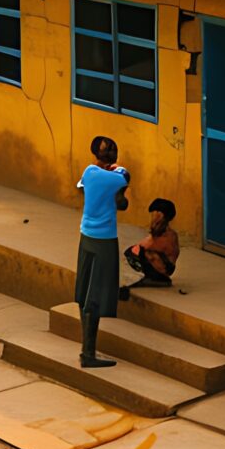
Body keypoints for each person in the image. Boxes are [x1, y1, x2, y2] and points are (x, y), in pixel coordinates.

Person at [74, 135, 130, 369]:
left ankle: (86, 347)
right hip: (104, 240)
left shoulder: (88, 172)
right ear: (110, 156)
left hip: (86, 236)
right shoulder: (118, 177)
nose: (113, 155)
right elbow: (122, 200)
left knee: (84, 290)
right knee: (95, 296)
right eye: (112, 152)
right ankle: (88, 354)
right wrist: (117, 170)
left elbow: (82, 188)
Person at [123, 197, 180, 293]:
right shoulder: (166, 233)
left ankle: (156, 278)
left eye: (157, 214)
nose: (153, 217)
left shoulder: (167, 236)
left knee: (134, 253)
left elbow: (144, 246)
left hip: (163, 269)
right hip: (165, 267)